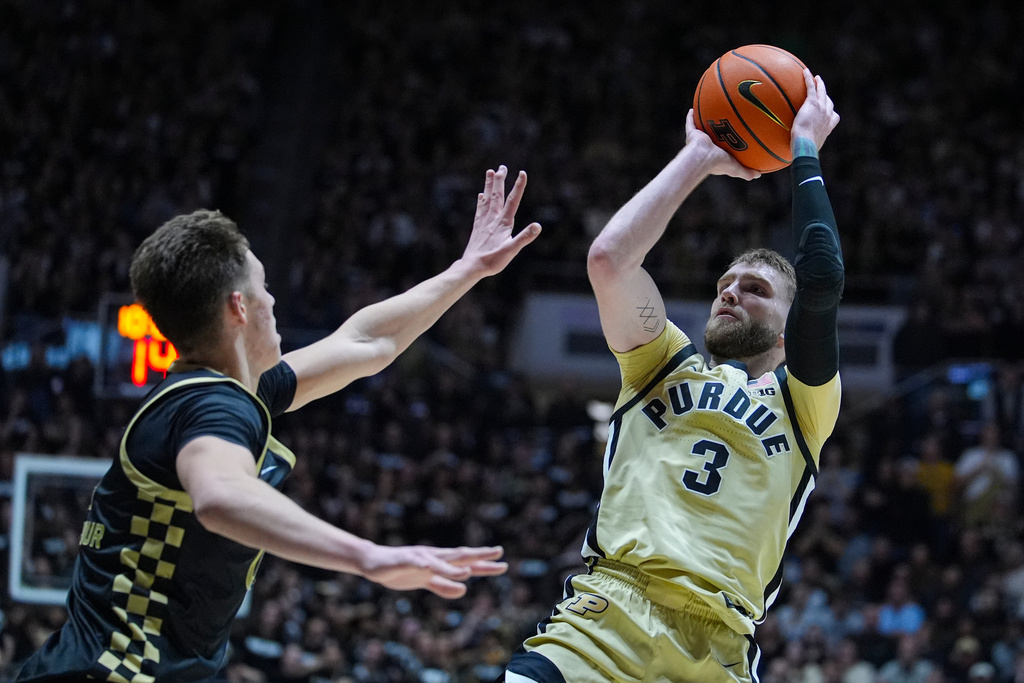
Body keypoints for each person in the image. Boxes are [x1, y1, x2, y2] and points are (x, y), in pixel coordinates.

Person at [15, 165, 541, 682]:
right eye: (264, 287)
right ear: (239, 308)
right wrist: (370, 557)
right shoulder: (213, 406)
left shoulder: (229, 391)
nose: (273, 300)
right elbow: (221, 496)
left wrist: (467, 270)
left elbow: (367, 342)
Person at [505, 69, 842, 682]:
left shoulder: (804, 406)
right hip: (602, 621)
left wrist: (805, 148)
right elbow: (609, 261)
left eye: (756, 289)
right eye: (725, 284)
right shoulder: (663, 363)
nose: (730, 293)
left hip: (716, 648)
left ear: (789, 330)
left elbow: (821, 277)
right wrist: (699, 157)